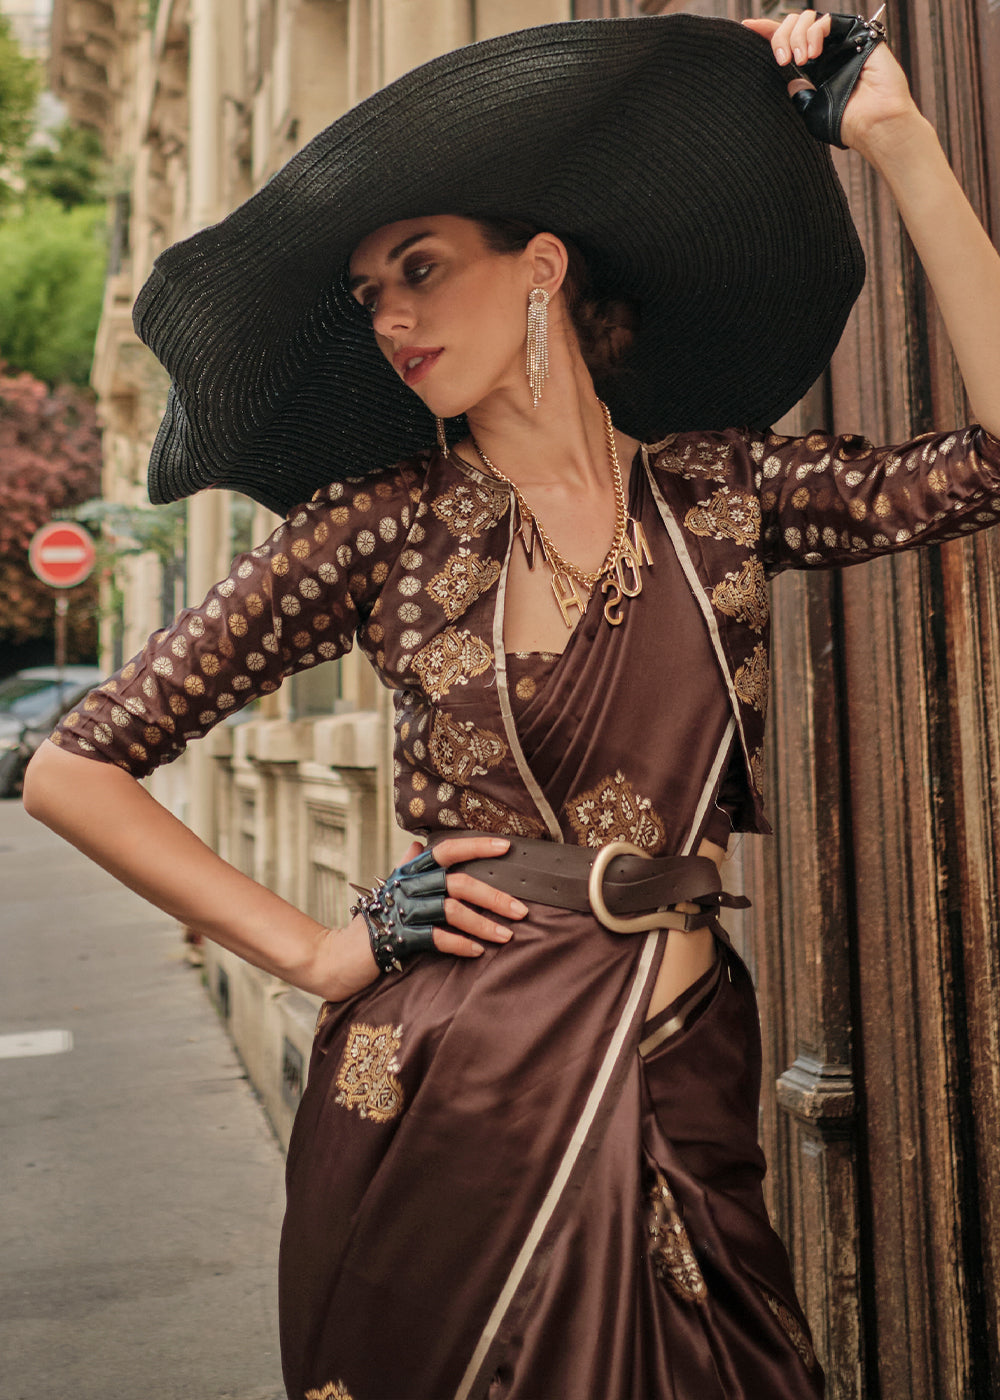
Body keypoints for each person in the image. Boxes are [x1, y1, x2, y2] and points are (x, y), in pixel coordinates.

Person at [23, 10, 1000, 1399]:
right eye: (369, 293)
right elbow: (73, 766)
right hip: (457, 1088)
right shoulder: (378, 526)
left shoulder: (723, 497)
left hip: (682, 1064)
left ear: (541, 265)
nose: (391, 317)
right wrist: (315, 952)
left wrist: (897, 141)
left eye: (420, 268)